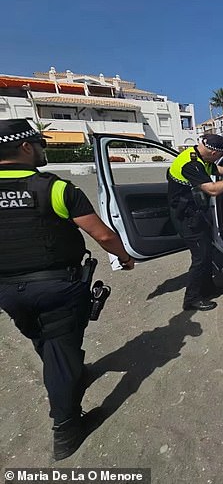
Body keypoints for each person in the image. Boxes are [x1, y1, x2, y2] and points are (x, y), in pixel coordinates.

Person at [0, 119, 135, 460]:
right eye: (39, 144)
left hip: (8, 291)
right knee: (60, 350)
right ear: (26, 148)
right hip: (56, 286)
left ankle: (71, 375)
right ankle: (66, 429)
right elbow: (102, 235)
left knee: (45, 341)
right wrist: (125, 257)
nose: (44, 149)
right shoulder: (55, 189)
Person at [167, 133, 223, 311]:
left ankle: (207, 288)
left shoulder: (199, 155)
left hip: (194, 213)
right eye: (219, 156)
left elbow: (215, 170)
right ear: (214, 153)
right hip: (186, 217)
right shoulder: (191, 164)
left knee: (207, 253)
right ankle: (191, 299)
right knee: (200, 258)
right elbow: (213, 190)